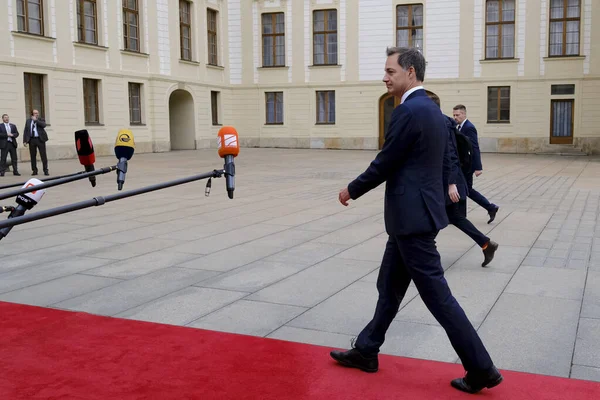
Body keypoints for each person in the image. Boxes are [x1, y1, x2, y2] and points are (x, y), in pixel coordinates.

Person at [329, 47, 503, 394]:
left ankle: (481, 368)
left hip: (411, 220)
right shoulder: (434, 111)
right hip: (415, 217)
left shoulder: (408, 112)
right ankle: (367, 349)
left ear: (410, 72)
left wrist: (352, 189)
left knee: (439, 298)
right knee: (389, 288)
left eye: (390, 71)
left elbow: (386, 162)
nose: (385, 77)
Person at [430, 95, 498, 267]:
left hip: (450, 181)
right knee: (452, 216)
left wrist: (452, 184)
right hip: (448, 180)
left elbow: (451, 156)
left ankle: (421, 250)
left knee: (437, 215)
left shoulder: (442, 124)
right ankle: (486, 244)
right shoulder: (444, 123)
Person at [452, 105, 499, 224]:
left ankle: (489, 207)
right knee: (465, 190)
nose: (455, 117)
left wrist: (478, 167)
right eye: (454, 115)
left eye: (458, 115)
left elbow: (474, 148)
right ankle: (488, 208)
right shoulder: (459, 127)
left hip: (467, 166)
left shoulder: (469, 127)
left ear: (464, 114)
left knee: (466, 190)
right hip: (463, 164)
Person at [23, 109, 49, 176]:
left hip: (40, 140)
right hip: (32, 140)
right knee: (33, 156)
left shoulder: (41, 119)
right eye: (35, 113)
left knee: (43, 155)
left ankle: (45, 170)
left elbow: (44, 125)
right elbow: (26, 131)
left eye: (37, 113)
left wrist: (36, 120)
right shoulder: (28, 121)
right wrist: (25, 141)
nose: (36, 114)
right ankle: (34, 170)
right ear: (32, 114)